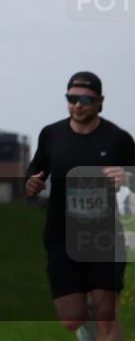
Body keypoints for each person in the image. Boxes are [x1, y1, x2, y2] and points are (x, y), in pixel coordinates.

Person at [25, 71, 134, 341]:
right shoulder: (51, 135)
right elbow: (33, 173)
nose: (78, 104)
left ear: (100, 101)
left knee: (106, 308)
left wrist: (128, 177)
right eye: (72, 98)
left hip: (103, 235)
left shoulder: (118, 139)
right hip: (61, 234)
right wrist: (31, 184)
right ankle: (86, 320)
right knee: (72, 319)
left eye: (86, 99)